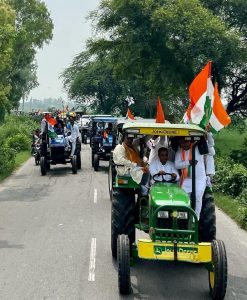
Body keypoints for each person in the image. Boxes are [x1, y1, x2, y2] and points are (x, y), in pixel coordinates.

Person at [175, 138, 207, 220]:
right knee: (183, 198)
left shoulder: (197, 147)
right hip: (186, 179)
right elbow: (177, 165)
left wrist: (208, 134)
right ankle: (183, 219)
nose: (185, 144)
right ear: (180, 142)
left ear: (190, 141)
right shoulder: (179, 152)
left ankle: (195, 219)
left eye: (186, 142)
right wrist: (188, 163)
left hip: (199, 179)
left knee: (198, 196)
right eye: (182, 142)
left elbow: (209, 145)